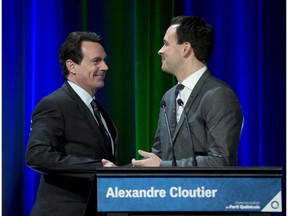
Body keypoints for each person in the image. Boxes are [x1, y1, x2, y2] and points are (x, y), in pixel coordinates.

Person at [132, 16, 243, 167]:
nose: (160, 51)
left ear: (185, 48)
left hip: (205, 190)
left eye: (165, 44)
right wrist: (115, 172)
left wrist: (164, 166)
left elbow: (220, 161)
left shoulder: (219, 95)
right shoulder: (169, 97)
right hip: (168, 190)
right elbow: (159, 157)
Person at [26, 32, 117, 216]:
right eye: (96, 61)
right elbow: (37, 154)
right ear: (72, 66)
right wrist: (96, 168)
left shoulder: (97, 108)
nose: (105, 67)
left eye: (105, 60)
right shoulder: (54, 104)